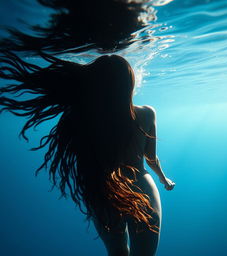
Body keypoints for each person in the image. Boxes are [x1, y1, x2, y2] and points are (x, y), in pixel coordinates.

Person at [0, 51, 175, 256]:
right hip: (140, 186)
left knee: (117, 251)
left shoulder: (81, 117)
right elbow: (151, 158)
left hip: (102, 190)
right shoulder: (146, 113)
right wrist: (163, 179)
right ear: (129, 82)